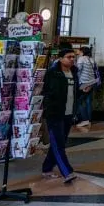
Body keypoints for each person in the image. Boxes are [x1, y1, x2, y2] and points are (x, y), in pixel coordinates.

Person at [42, 48, 80, 184]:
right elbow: (46, 91)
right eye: (68, 57)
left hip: (68, 113)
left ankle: (47, 168)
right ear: (60, 58)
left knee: (59, 142)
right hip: (55, 113)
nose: (72, 59)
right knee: (58, 144)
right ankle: (67, 172)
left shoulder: (74, 72)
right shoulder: (53, 73)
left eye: (73, 57)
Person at [75, 46, 99, 131]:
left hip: (84, 83)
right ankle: (89, 119)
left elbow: (78, 70)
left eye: (79, 50)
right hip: (92, 82)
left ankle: (85, 120)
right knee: (88, 101)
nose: (78, 51)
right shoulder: (91, 59)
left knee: (79, 101)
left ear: (82, 51)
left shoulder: (81, 59)